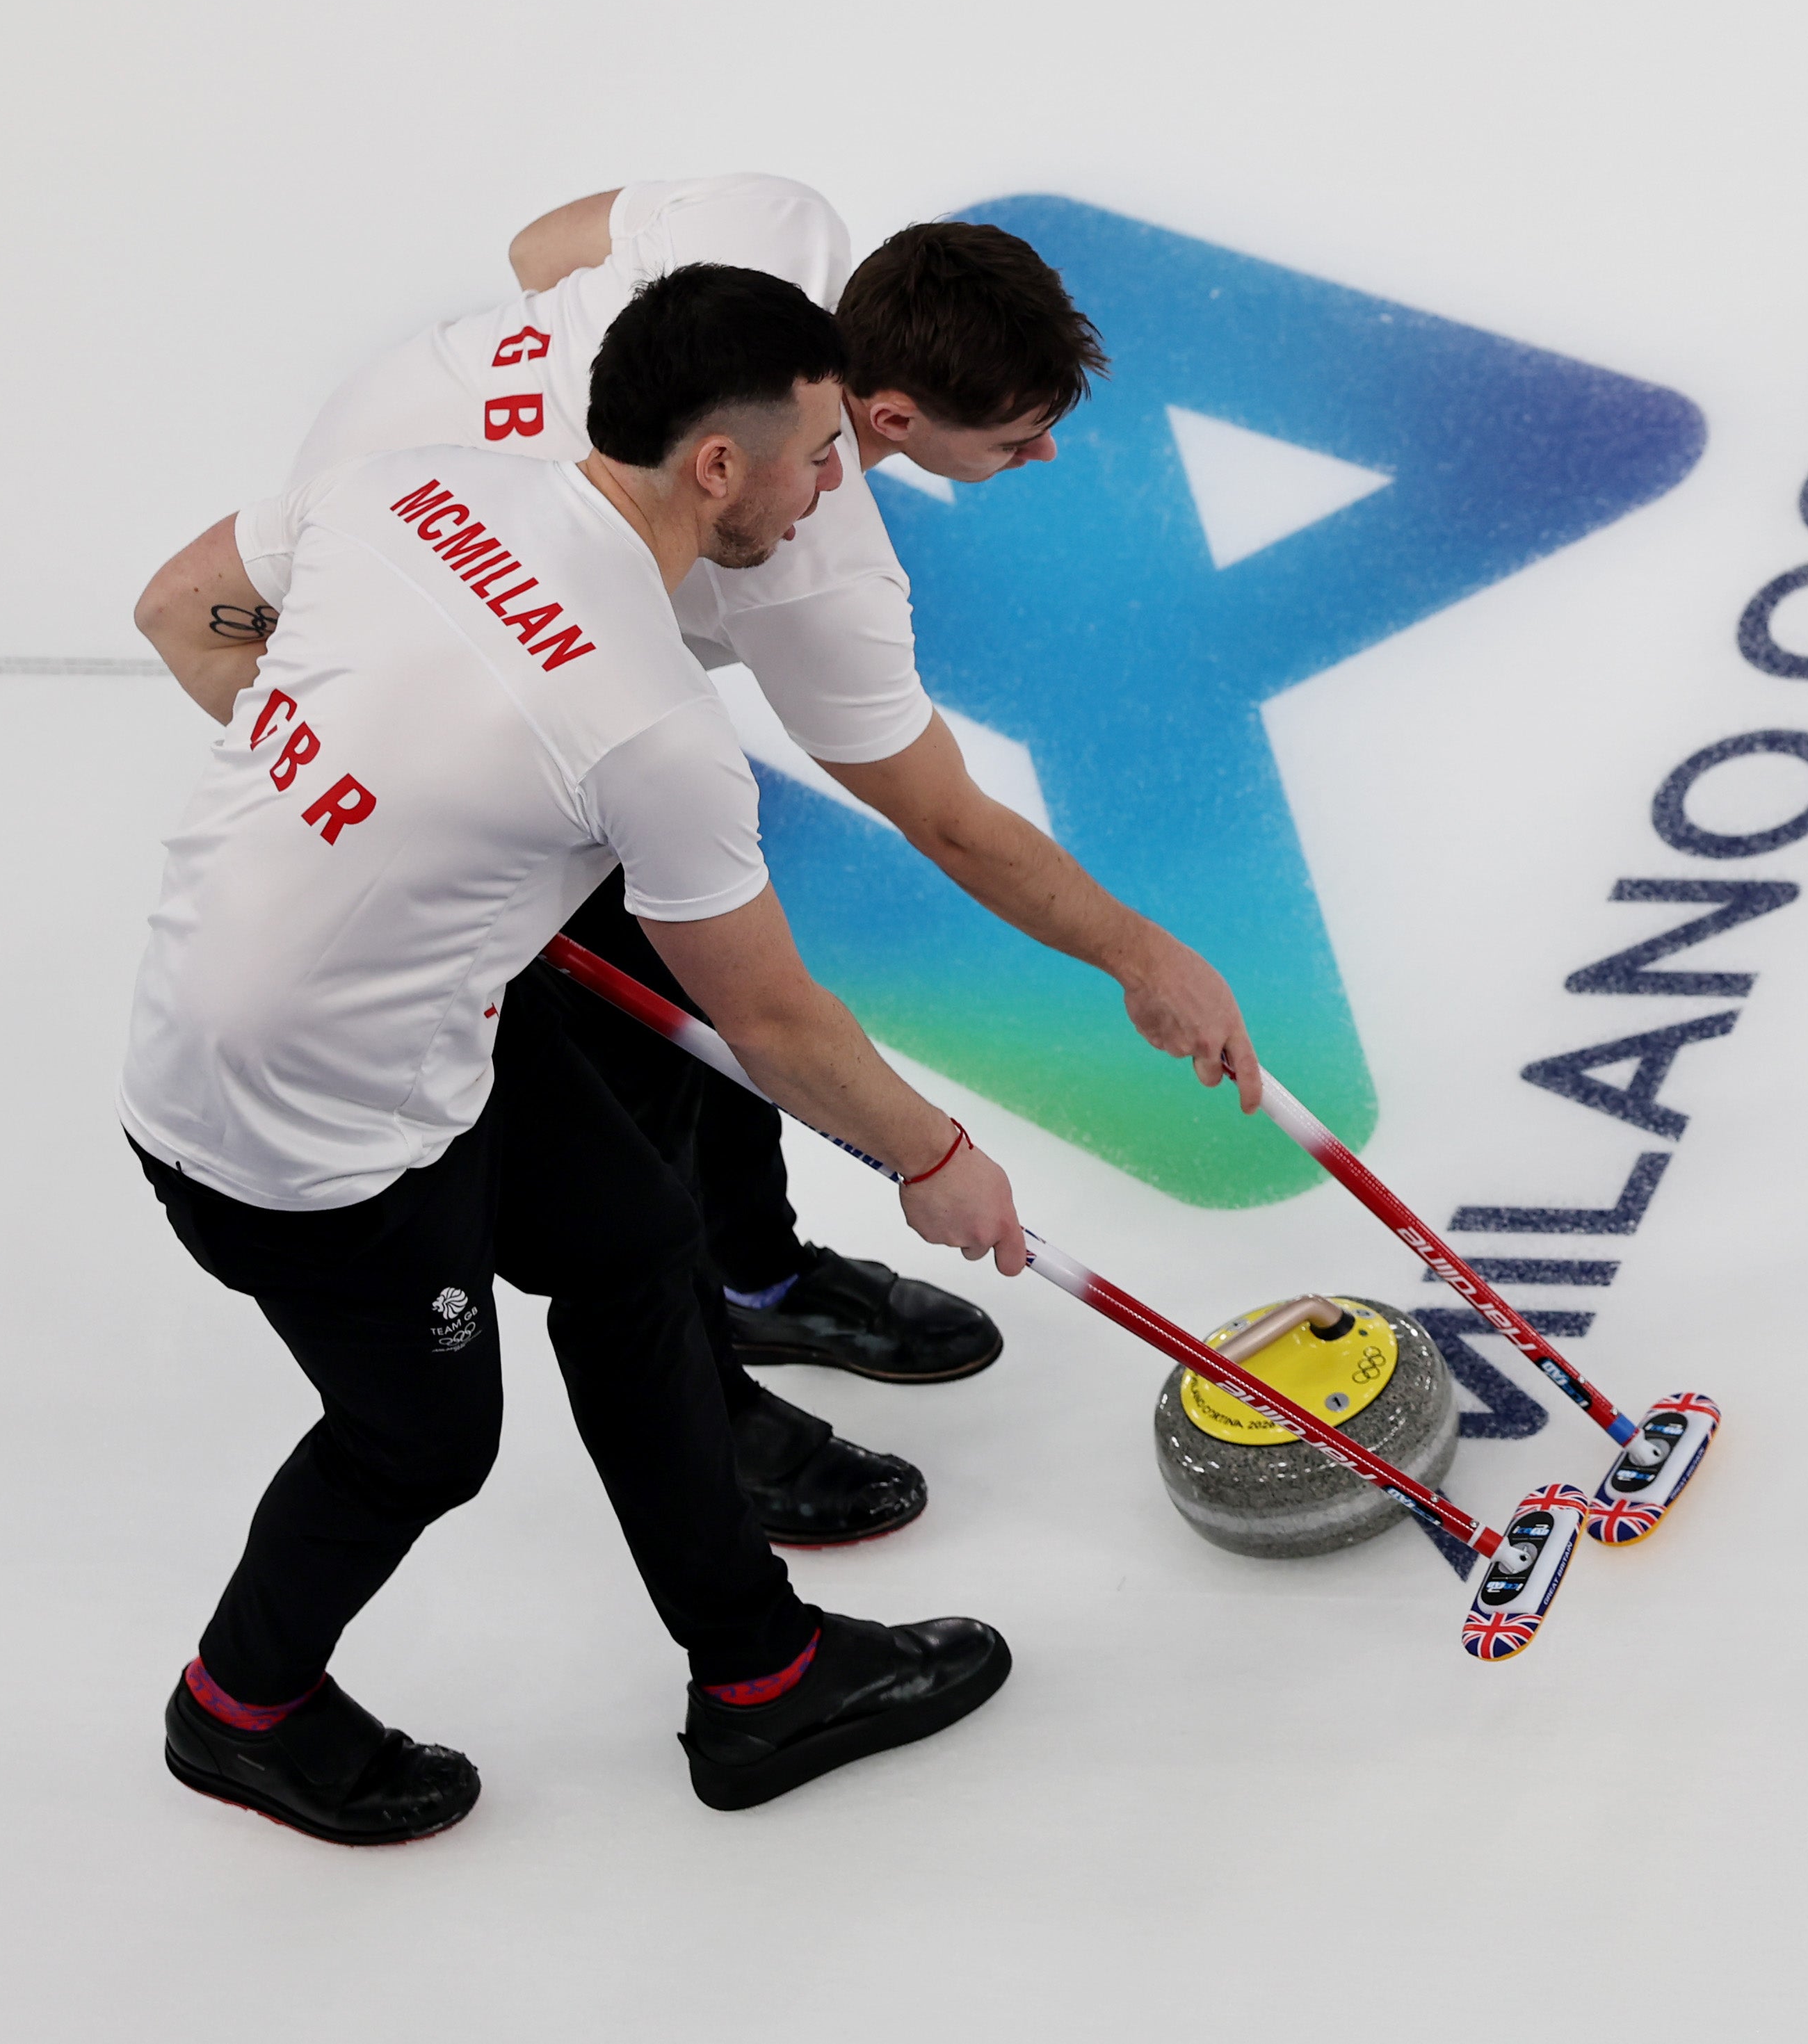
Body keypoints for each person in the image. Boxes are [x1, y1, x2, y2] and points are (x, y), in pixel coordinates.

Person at [126, 266, 1023, 1838]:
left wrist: (390, 831)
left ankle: (758, 1678)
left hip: (393, 1011)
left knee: (634, 1244)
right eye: (821, 453)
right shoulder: (645, 724)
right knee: (418, 1444)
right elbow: (774, 1024)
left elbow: (182, 603)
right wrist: (937, 1160)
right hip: (299, 1137)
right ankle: (239, 1704)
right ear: (719, 467)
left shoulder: (419, 485)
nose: (839, 489)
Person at [286, 176, 1262, 1548]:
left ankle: (761, 1271)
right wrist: (1142, 958)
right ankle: (717, 1407)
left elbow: (539, 247)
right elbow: (951, 821)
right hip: (425, 677)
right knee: (648, 1085)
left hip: (403, 484)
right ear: (894, 422)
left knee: (720, 950)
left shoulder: (771, 228)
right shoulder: (810, 570)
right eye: (1025, 438)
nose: (1044, 460)